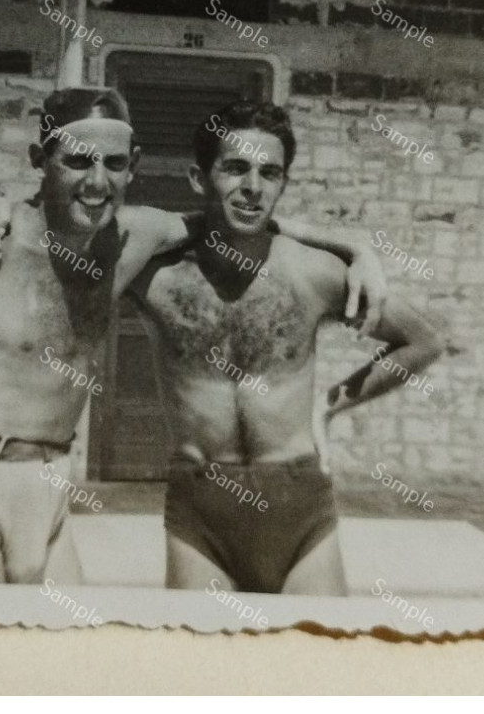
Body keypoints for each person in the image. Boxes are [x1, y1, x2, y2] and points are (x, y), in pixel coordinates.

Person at [0, 87, 385, 587]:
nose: (97, 181)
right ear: (38, 160)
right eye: (76, 161)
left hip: (48, 496)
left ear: (132, 166)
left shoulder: (135, 237)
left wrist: (355, 247)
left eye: (115, 165)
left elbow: (240, 213)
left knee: (68, 676)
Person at [129, 100, 444, 595]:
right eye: (235, 169)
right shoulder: (155, 277)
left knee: (316, 664)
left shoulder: (313, 273)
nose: (253, 187)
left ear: (282, 184)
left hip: (299, 509)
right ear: (198, 178)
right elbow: (65, 239)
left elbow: (423, 341)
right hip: (202, 515)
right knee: (202, 666)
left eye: (269, 173)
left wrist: (328, 407)